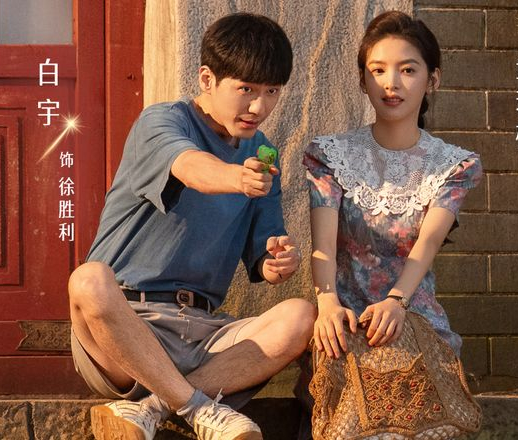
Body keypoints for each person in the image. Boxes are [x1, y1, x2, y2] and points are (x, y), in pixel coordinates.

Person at [68, 13, 315, 440]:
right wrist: (236, 177)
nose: (259, 107)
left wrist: (277, 262)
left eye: (272, 91)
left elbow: (264, 253)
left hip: (202, 336)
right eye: (246, 89)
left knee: (301, 316)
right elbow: (190, 166)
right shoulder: (162, 122)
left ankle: (152, 408)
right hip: (125, 327)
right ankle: (201, 409)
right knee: (88, 281)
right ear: (207, 79)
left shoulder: (264, 152)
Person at [304, 10, 482, 375]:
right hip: (343, 322)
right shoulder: (330, 155)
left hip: (412, 318)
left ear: (433, 79)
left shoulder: (453, 166)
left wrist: (396, 302)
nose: (391, 83)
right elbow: (322, 247)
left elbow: (427, 245)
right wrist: (327, 304)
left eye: (408, 70)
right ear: (362, 80)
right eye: (378, 70)